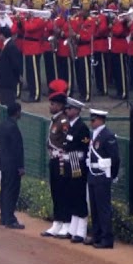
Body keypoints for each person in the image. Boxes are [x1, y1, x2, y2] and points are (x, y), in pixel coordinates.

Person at [85, 108, 119, 248]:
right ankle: (97, 235)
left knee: (103, 208)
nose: (91, 123)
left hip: (103, 175)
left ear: (100, 120)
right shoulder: (94, 135)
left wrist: (113, 175)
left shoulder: (108, 136)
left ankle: (107, 239)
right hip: (93, 174)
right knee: (94, 207)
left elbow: (115, 158)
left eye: (93, 120)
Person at [59, 97, 92, 242]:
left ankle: (81, 230)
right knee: (71, 195)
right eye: (66, 108)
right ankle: (73, 229)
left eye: (70, 109)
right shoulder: (70, 126)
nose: (67, 111)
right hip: (68, 163)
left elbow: (83, 148)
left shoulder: (81, 127)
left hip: (77, 165)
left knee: (79, 196)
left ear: (77, 111)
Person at [42, 86, 72, 238]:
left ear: (60, 106)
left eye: (53, 104)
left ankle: (66, 222)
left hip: (61, 160)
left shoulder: (64, 121)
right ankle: (57, 221)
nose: (50, 106)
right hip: (53, 159)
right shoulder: (56, 120)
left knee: (63, 191)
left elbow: (68, 140)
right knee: (55, 191)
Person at [0, 101, 25, 229]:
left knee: (4, 190)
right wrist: (20, 166)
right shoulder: (13, 127)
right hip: (13, 165)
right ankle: (10, 218)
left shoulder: (2, 125)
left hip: (4, 163)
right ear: (17, 112)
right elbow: (16, 149)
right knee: (11, 192)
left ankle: (3, 216)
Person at [0, 24, 23, 107]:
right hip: (4, 81)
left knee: (7, 103)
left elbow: (15, 64)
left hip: (8, 81)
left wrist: (17, 77)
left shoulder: (11, 46)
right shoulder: (8, 45)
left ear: (3, 35)